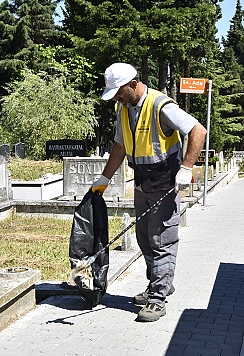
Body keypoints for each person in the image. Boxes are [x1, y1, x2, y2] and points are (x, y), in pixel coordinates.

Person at [90, 62, 207, 322]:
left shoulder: (160, 106)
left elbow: (198, 130)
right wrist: (104, 178)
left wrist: (187, 168)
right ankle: (158, 283)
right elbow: (120, 146)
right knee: (144, 237)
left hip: (166, 183)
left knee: (162, 240)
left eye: (119, 92)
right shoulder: (124, 109)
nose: (117, 99)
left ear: (133, 84)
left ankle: (157, 298)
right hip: (142, 183)